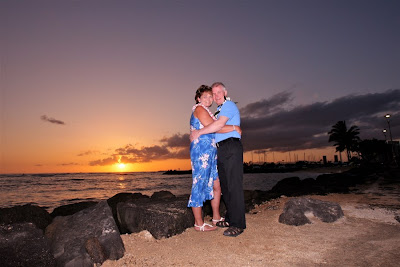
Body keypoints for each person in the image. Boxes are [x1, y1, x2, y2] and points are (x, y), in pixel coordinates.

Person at [190, 82, 246, 237]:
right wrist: (233, 127)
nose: (215, 96)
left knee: (232, 186)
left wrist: (200, 132)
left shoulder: (228, 105)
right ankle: (228, 218)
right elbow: (214, 127)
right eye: (211, 94)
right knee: (225, 186)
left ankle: (238, 224)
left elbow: (217, 126)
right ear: (198, 98)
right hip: (217, 150)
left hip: (229, 147)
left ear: (225, 92)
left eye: (217, 93)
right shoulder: (213, 111)